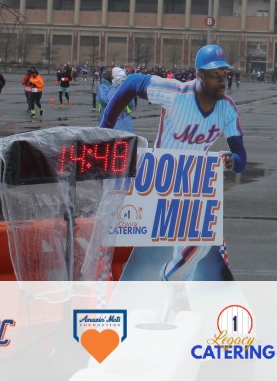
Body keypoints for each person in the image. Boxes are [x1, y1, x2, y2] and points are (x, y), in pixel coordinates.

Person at [101, 44, 248, 282]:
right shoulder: (176, 93)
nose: (222, 80)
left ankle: (171, 281)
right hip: (160, 181)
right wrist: (105, 127)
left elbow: (241, 158)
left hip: (192, 186)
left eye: (224, 73)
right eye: (215, 74)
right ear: (200, 75)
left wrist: (233, 160)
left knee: (198, 248)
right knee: (134, 243)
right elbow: (132, 83)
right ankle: (159, 282)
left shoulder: (227, 108)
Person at [97, 67, 132, 132]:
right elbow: (107, 101)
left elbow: (131, 105)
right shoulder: (103, 87)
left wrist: (128, 89)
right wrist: (115, 86)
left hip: (125, 123)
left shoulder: (122, 87)